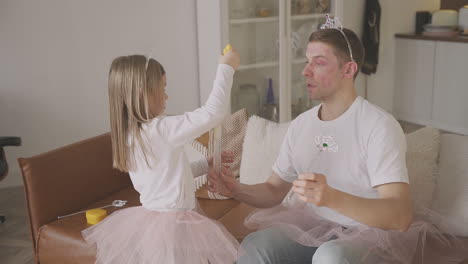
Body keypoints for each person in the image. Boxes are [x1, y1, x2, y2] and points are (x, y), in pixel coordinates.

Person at [209, 17, 468, 264]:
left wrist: (330, 197)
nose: (305, 71)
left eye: (318, 62)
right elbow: (274, 190)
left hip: (369, 236)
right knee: (257, 245)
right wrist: (235, 189)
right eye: (306, 61)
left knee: (331, 257)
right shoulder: (301, 125)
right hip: (313, 228)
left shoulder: (378, 126)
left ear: (349, 69)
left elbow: (400, 216)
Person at [82, 50, 241, 264]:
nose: (167, 96)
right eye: (162, 88)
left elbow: (166, 176)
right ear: (142, 92)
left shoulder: (131, 135)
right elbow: (213, 113)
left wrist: (205, 164)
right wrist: (226, 67)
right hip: (176, 227)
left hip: (151, 225)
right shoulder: (161, 130)